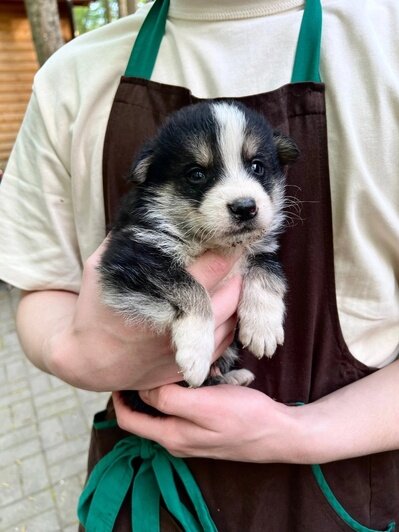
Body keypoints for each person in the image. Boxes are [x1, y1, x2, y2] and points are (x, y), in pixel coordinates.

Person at [0, 0, 398, 530]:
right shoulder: (71, 77)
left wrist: (297, 431)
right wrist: (76, 356)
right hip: (155, 487)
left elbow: (264, 263)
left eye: (258, 167)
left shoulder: (386, 38)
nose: (243, 195)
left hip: (349, 491)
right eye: (196, 176)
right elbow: (42, 284)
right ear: (151, 177)